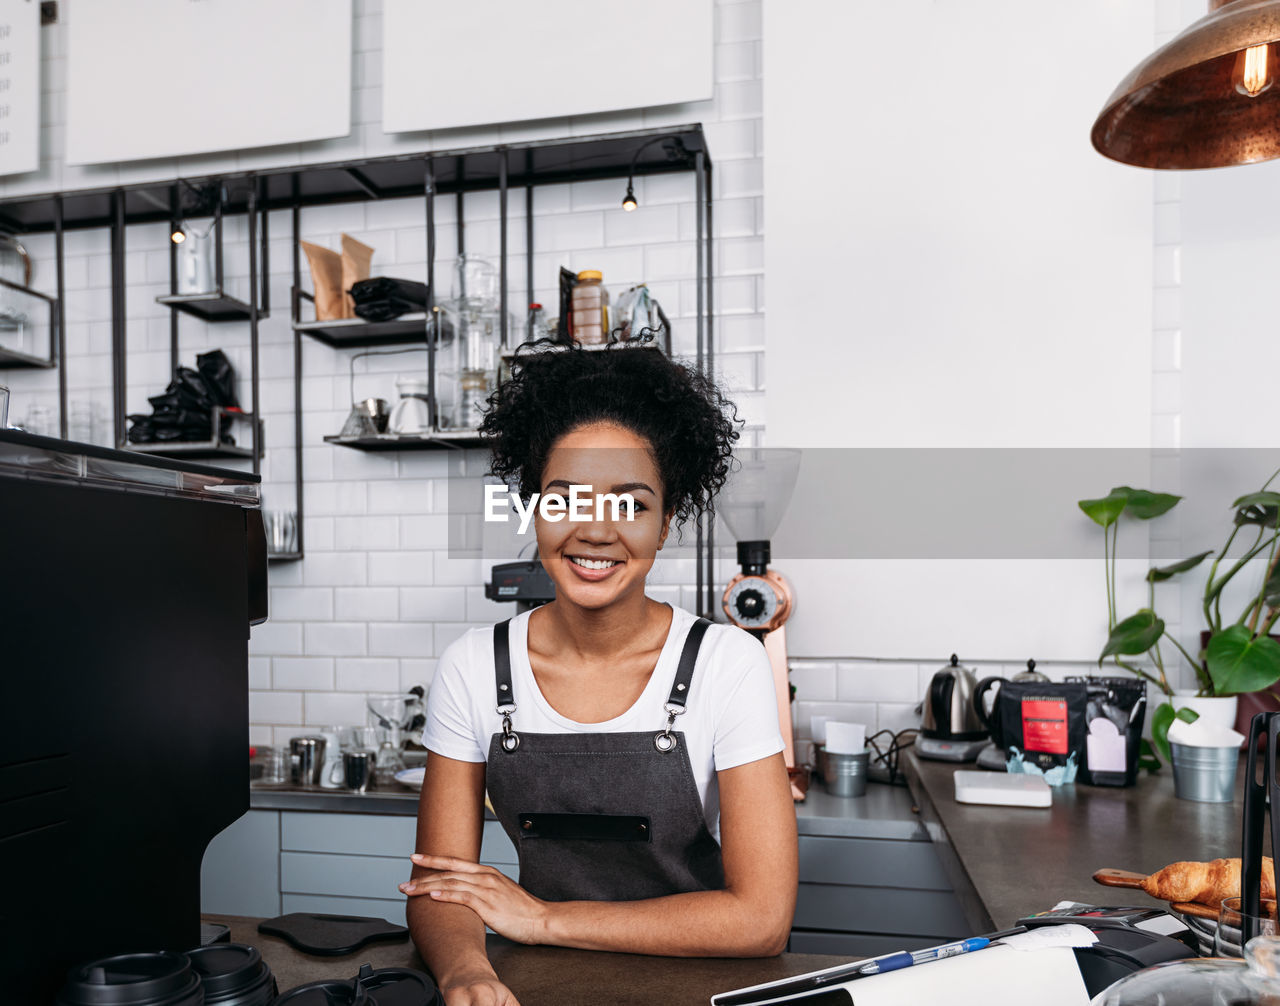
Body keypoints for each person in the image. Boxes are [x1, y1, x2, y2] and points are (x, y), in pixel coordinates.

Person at [401, 342, 799, 1006]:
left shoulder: (725, 664)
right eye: (565, 501)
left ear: (665, 523)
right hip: (530, 986)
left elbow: (761, 919)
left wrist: (541, 918)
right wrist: (465, 970)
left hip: (695, 987)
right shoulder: (474, 666)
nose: (594, 530)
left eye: (630, 505)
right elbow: (443, 886)